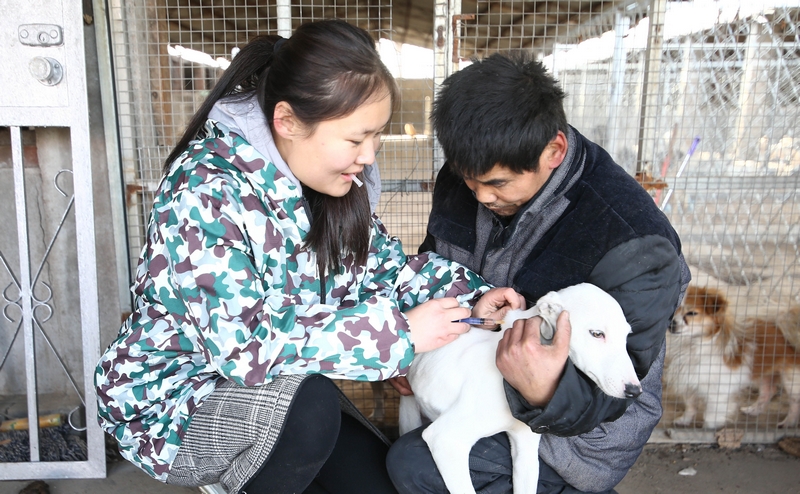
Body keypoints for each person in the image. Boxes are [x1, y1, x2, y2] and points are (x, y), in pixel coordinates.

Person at [95, 20, 523, 494]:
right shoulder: (205, 193)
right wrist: (400, 335)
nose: (369, 155)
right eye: (356, 138)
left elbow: (388, 273)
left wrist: (471, 302)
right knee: (313, 407)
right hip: (178, 403)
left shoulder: (330, 185)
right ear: (287, 122)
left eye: (378, 136)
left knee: (378, 481)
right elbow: (244, 350)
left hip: (287, 391)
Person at [386, 52, 691, 493]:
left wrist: (542, 389)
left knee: (417, 464)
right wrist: (408, 340)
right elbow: (432, 272)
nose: (481, 197)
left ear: (554, 151)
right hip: (473, 380)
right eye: (470, 182)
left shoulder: (634, 241)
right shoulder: (465, 179)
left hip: (577, 435)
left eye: (497, 184)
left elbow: (616, 390)